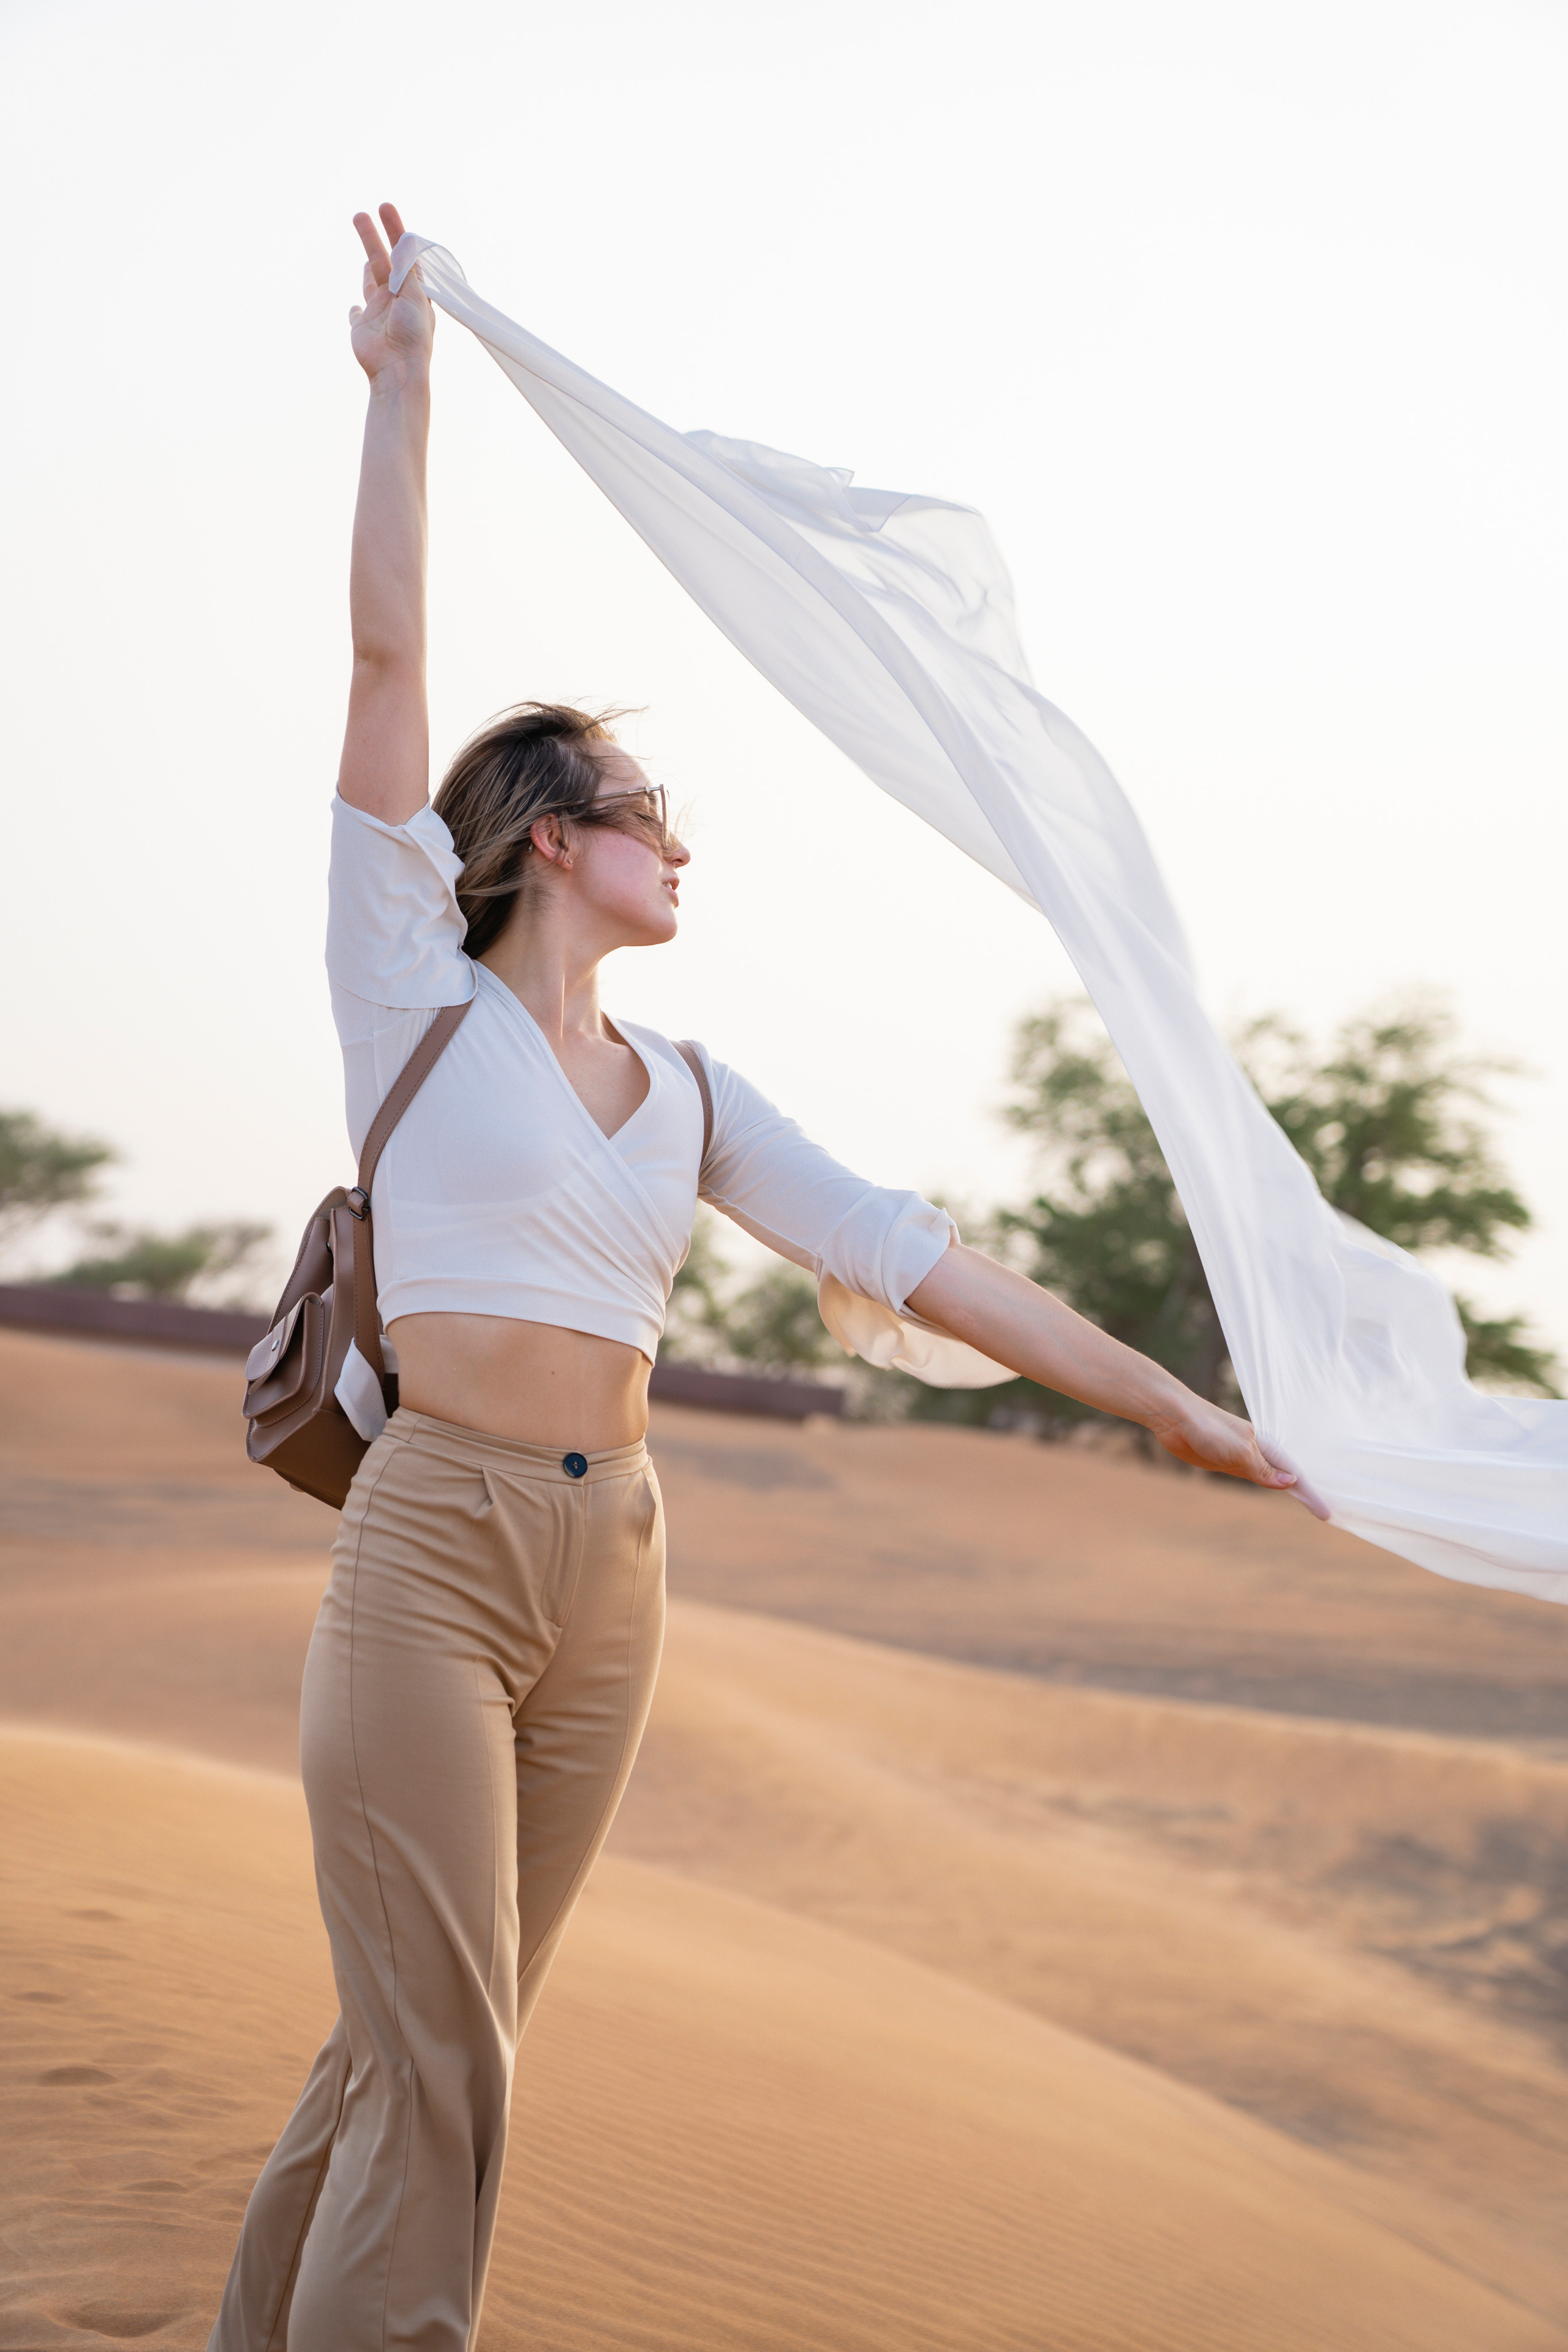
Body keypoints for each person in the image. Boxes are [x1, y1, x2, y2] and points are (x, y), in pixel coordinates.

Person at [208, 202, 1297, 2352]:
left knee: (423, 2045)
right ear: (538, 842)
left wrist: (1170, 1407)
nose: (679, 846)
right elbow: (385, 666)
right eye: (644, 813)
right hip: (428, 1554)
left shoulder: (698, 1095)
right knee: (451, 2074)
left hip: (614, 1576)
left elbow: (931, 1264)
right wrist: (404, 398)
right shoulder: (400, 994)